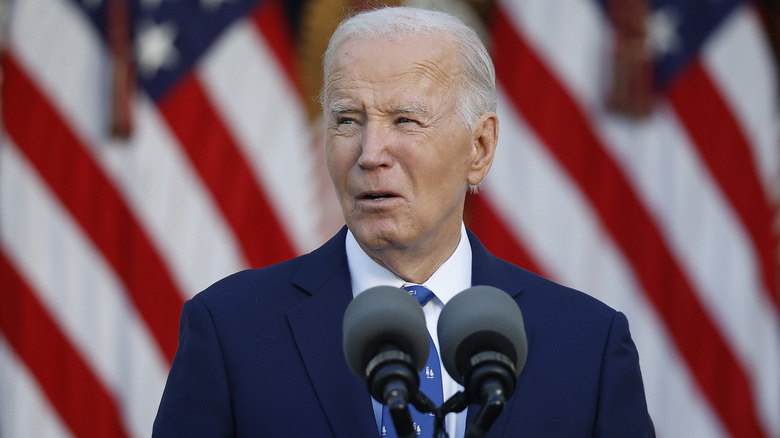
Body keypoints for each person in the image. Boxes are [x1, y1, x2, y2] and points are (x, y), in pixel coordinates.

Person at [152, 6, 654, 437]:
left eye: (405, 121)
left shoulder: (588, 345)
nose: (370, 155)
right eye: (347, 120)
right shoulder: (229, 330)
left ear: (479, 149)